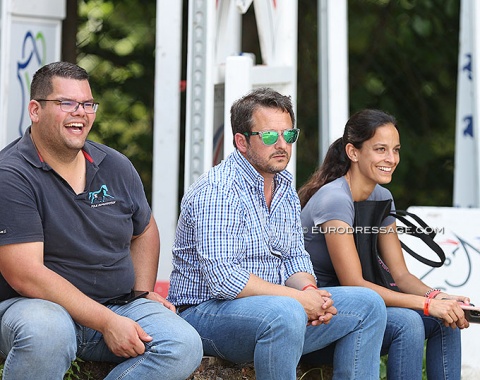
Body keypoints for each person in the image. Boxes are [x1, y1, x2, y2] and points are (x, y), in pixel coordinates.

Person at [0, 61, 203, 380]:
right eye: (66, 103)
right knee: (47, 332)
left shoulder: (115, 165)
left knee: (183, 344)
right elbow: (25, 274)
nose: (79, 112)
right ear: (35, 110)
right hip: (35, 308)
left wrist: (140, 291)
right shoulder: (11, 174)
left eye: (87, 103)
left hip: (117, 304)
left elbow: (145, 229)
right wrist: (106, 322)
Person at [168, 87, 387, 380]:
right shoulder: (218, 191)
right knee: (286, 313)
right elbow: (224, 279)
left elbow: (294, 257)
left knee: (368, 305)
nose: (282, 144)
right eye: (270, 136)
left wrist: (310, 293)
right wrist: (296, 301)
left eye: (289, 135)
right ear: (241, 142)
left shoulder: (283, 186)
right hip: (206, 315)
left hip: (275, 310)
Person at [299, 108, 470, 380]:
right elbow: (354, 283)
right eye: (380, 149)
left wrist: (439, 298)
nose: (391, 159)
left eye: (396, 150)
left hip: (365, 306)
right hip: (322, 315)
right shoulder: (334, 199)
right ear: (353, 153)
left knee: (445, 320)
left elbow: (400, 275)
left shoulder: (382, 197)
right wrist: (425, 305)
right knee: (409, 322)